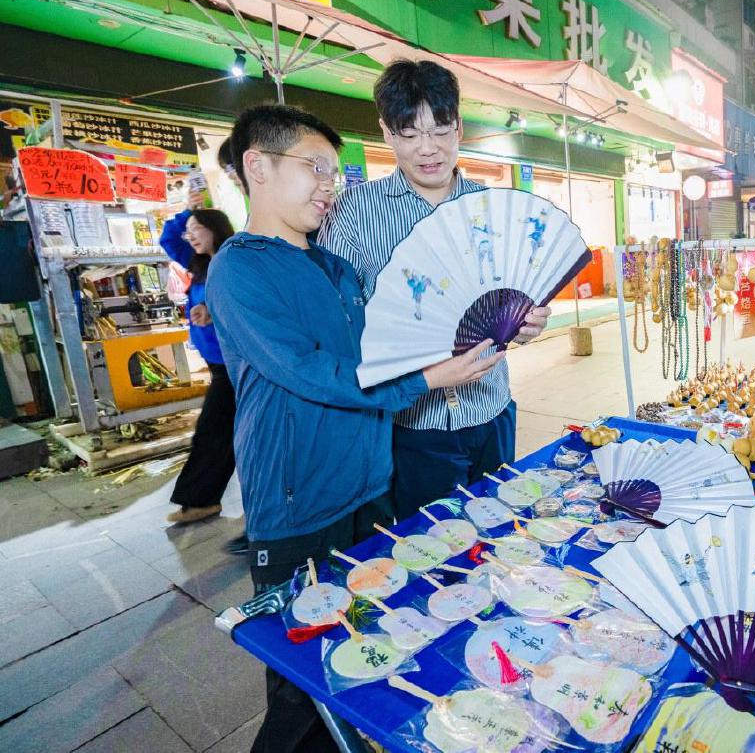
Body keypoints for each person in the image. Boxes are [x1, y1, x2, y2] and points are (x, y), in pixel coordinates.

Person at [207, 103, 502, 753]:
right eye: (315, 168)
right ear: (258, 166)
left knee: (363, 647)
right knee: (300, 687)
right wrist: (428, 379)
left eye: (334, 173)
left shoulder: (336, 269)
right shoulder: (239, 268)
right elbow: (311, 370)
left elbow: (386, 349)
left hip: (370, 491)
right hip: (300, 506)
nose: (329, 186)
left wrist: (477, 333)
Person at [319, 59, 549, 520]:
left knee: (502, 531)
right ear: (387, 133)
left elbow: (518, 293)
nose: (428, 149)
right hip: (413, 425)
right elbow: (340, 326)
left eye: (441, 130)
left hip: (492, 408)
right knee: (431, 545)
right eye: (409, 134)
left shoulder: (493, 207)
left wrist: (529, 322)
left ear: (459, 127)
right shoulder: (353, 214)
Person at [160, 207, 236, 524]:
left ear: (215, 228)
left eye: (196, 229)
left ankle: (201, 500)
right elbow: (168, 238)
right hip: (217, 363)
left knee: (212, 431)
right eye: (188, 230)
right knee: (222, 432)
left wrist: (212, 311)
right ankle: (203, 499)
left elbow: (241, 304)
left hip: (233, 365)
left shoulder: (232, 261)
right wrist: (190, 210)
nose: (189, 236)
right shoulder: (201, 263)